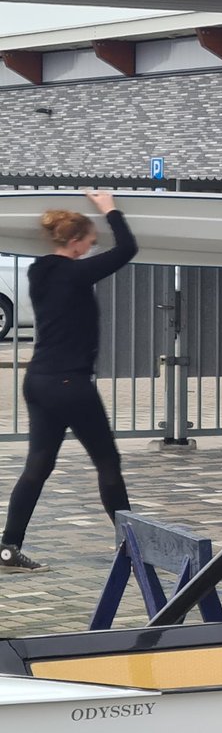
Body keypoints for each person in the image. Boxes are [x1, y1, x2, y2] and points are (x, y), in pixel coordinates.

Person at [1, 191, 138, 573]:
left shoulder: (37, 272)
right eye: (89, 241)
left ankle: (8, 548)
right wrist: (110, 210)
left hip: (38, 379)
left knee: (38, 465)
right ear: (75, 243)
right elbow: (128, 247)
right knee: (108, 462)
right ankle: (134, 543)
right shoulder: (77, 273)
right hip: (68, 383)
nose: (92, 248)